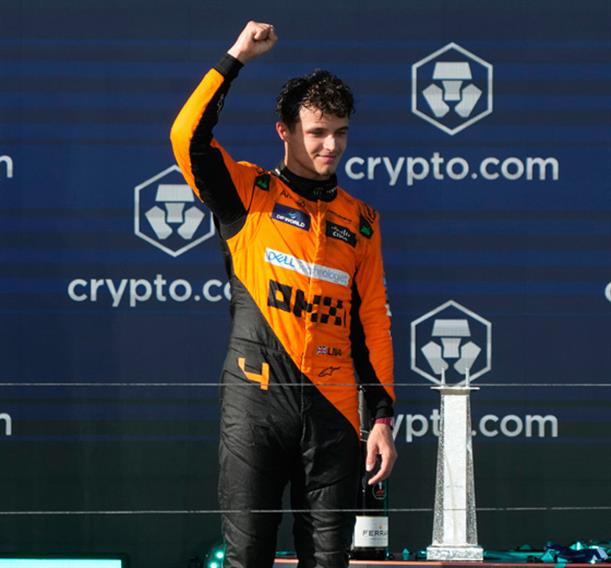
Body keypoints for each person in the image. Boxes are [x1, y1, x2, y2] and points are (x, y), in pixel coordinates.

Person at [171, 21, 397, 568]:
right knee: (248, 554)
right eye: (317, 132)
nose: (331, 145)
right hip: (256, 402)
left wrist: (382, 418)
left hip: (334, 409)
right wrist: (236, 57)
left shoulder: (362, 221)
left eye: (340, 132)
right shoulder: (247, 192)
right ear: (285, 131)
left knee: (329, 560)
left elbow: (371, 320)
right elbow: (186, 137)